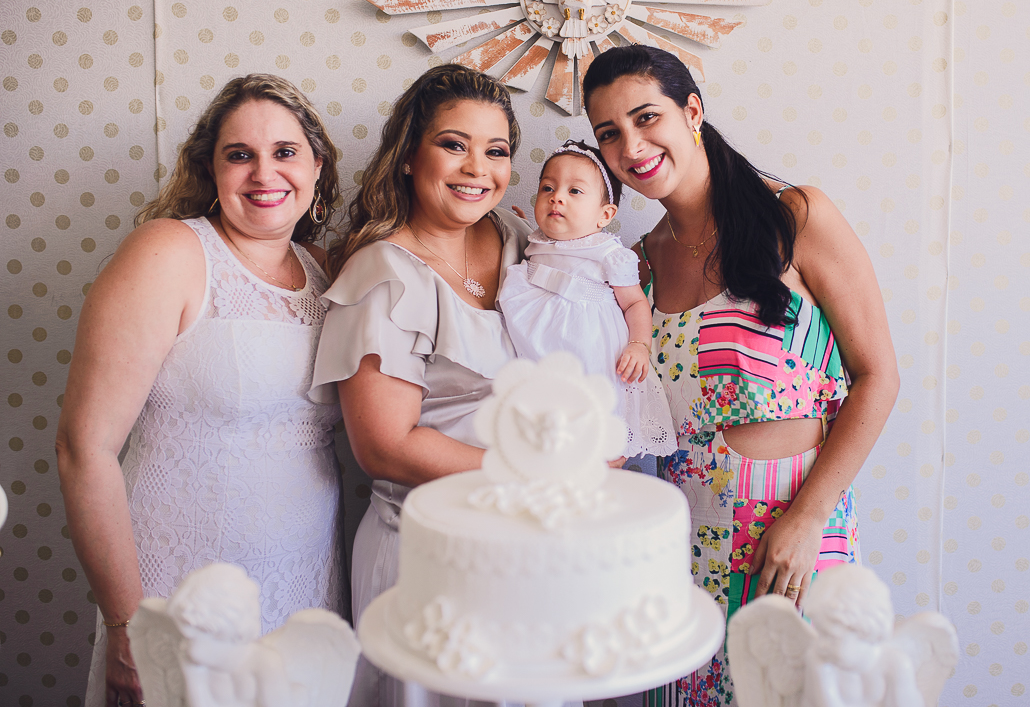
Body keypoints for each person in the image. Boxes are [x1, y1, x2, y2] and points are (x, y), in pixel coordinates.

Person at [583, 45, 900, 707]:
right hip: (683, 556)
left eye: (647, 118)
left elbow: (878, 377)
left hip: (794, 544)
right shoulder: (635, 267)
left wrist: (810, 519)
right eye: (609, 134)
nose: (631, 146)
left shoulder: (798, 217)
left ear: (692, 111)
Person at [56, 74, 346, 707]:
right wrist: (130, 624)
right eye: (239, 155)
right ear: (210, 170)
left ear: (318, 167)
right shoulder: (171, 252)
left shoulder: (329, 272)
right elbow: (84, 449)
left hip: (304, 586)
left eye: (285, 152)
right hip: (177, 590)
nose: (264, 172)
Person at [308, 64, 531, 707]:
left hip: (524, 548)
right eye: (453, 144)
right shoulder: (383, 273)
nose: (476, 168)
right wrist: (537, 478)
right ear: (409, 156)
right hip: (425, 553)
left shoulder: (520, 241)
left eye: (496, 151)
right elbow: (384, 446)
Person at [497, 140, 675, 458]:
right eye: (547, 188)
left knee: (596, 422)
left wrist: (639, 344)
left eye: (574, 191)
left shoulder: (609, 253)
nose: (557, 197)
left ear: (604, 215)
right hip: (545, 343)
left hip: (591, 350)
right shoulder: (535, 239)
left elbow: (635, 303)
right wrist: (527, 224)